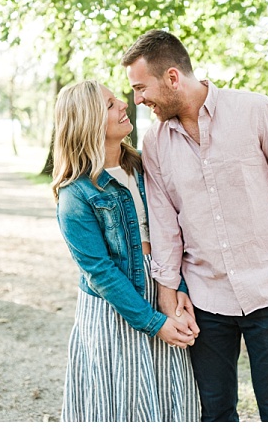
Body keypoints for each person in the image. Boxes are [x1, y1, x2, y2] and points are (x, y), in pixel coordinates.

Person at [122, 30, 268, 422]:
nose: (137, 100)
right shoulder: (155, 141)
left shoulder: (254, 110)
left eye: (141, 88)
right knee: (214, 414)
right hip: (205, 300)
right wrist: (167, 293)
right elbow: (165, 224)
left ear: (173, 77)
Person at [51, 80, 201, 422]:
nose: (123, 104)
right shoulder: (75, 195)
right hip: (113, 309)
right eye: (108, 104)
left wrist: (178, 290)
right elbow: (101, 272)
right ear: (87, 122)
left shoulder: (145, 166)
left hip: (161, 287)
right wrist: (152, 322)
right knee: (123, 401)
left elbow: (176, 231)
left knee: (168, 394)